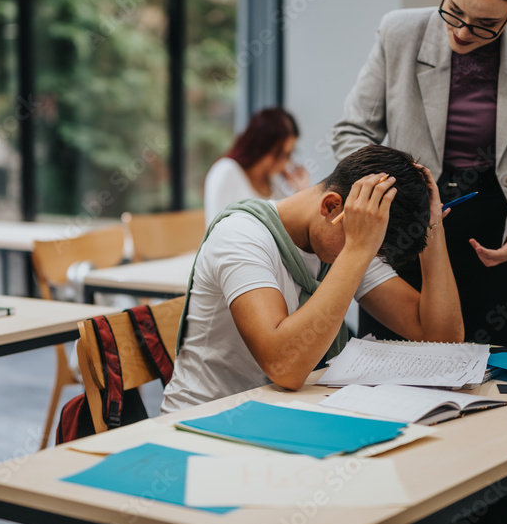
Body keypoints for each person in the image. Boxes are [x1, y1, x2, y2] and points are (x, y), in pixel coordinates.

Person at [333, 0, 507, 346]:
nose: (461, 32)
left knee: (494, 383)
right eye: (454, 11)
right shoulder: (400, 32)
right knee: (388, 376)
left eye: (485, 25)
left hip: (495, 239)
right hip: (407, 224)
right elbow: (353, 131)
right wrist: (391, 194)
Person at [162, 144, 463, 413]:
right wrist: (359, 249)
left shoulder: (350, 242)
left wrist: (432, 228)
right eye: (369, 248)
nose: (369, 258)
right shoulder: (242, 235)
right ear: (331, 206)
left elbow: (441, 339)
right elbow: (284, 367)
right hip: (206, 420)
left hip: (282, 415)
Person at [203, 107, 309, 224]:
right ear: (260, 146)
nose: (285, 162)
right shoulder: (226, 171)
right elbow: (216, 231)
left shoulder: (273, 179)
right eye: (279, 154)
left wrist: (301, 192)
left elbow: (292, 226)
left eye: (289, 154)